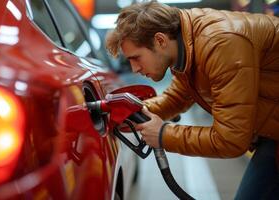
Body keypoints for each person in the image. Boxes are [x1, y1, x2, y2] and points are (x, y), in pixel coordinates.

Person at [105, 1, 279, 199]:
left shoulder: (220, 43)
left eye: (136, 58)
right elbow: (177, 97)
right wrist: (131, 113)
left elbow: (230, 139)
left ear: (160, 40)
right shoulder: (187, 46)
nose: (135, 68)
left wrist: (163, 134)